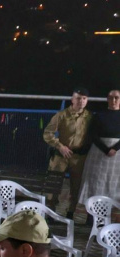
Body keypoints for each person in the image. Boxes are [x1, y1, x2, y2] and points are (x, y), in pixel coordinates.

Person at [43, 87, 92, 218]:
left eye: (84, 98)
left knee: (76, 186)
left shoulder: (90, 117)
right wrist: (60, 146)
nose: (81, 101)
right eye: (78, 98)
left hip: (78, 157)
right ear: (72, 99)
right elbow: (48, 133)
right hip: (61, 155)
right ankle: (50, 212)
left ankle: (71, 212)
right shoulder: (61, 115)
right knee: (54, 185)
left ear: (87, 100)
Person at [78, 88, 120, 209]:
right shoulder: (99, 115)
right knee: (95, 182)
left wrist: (115, 148)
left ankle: (113, 217)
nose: (114, 100)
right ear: (107, 99)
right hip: (99, 151)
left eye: (116, 97)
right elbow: (92, 134)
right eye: (111, 97)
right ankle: (91, 215)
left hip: (117, 154)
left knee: (115, 184)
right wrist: (106, 149)